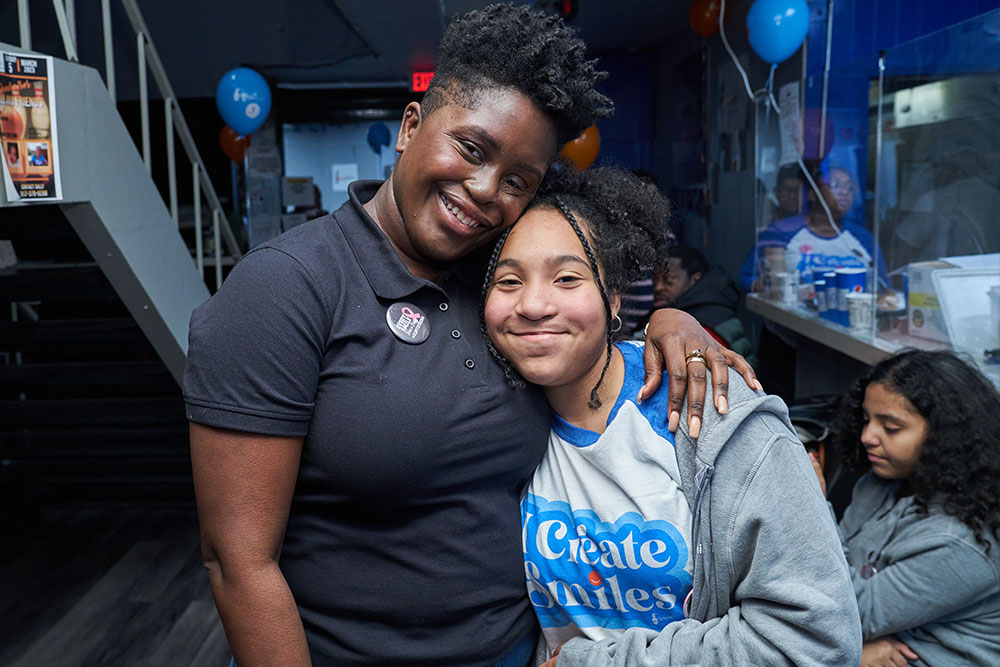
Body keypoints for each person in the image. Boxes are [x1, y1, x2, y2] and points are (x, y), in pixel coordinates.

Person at [183, 5, 756, 666]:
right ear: (410, 127)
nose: (485, 191)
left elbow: (591, 324)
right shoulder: (285, 289)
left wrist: (669, 320)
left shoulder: (499, 281)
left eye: (518, 181)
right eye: (471, 149)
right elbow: (238, 565)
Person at [482, 165, 861, 665]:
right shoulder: (495, 418)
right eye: (509, 280)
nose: (532, 304)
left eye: (567, 277)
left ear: (612, 296)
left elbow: (815, 641)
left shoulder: (718, 421)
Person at [821, 350, 1000, 667]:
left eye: (890, 428)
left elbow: (844, 613)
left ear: (945, 437)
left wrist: (812, 509)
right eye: (865, 420)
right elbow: (839, 563)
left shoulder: (961, 540)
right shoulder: (878, 484)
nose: (867, 437)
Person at [738, 163, 889, 296]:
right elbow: (747, 279)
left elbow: (884, 288)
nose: (844, 192)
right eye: (834, 185)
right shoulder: (780, 233)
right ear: (812, 194)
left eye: (850, 188)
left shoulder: (864, 239)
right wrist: (781, 289)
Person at [651, 245, 755, 365]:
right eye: (654, 280)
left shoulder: (703, 325)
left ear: (695, 279)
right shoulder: (672, 309)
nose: (658, 287)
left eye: (668, 280)